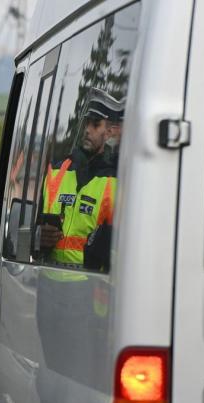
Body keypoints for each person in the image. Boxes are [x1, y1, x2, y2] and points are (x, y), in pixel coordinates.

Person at [38, 87, 124, 271]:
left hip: (91, 286)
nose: (87, 130)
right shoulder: (55, 172)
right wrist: (38, 235)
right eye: (86, 124)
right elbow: (28, 228)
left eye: (95, 125)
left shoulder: (117, 181)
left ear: (109, 132)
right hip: (48, 280)